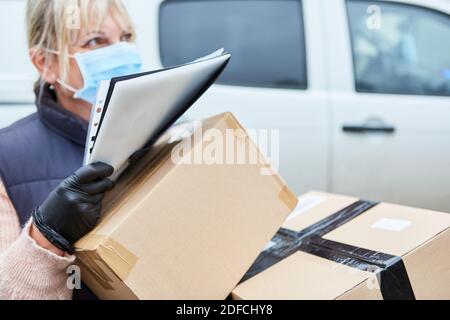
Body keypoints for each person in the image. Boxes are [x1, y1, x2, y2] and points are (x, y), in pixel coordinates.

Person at [0, 0, 143, 300]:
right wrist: (46, 235)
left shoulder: (162, 133)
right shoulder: (6, 157)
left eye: (126, 38)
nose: (121, 51)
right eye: (95, 41)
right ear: (44, 63)